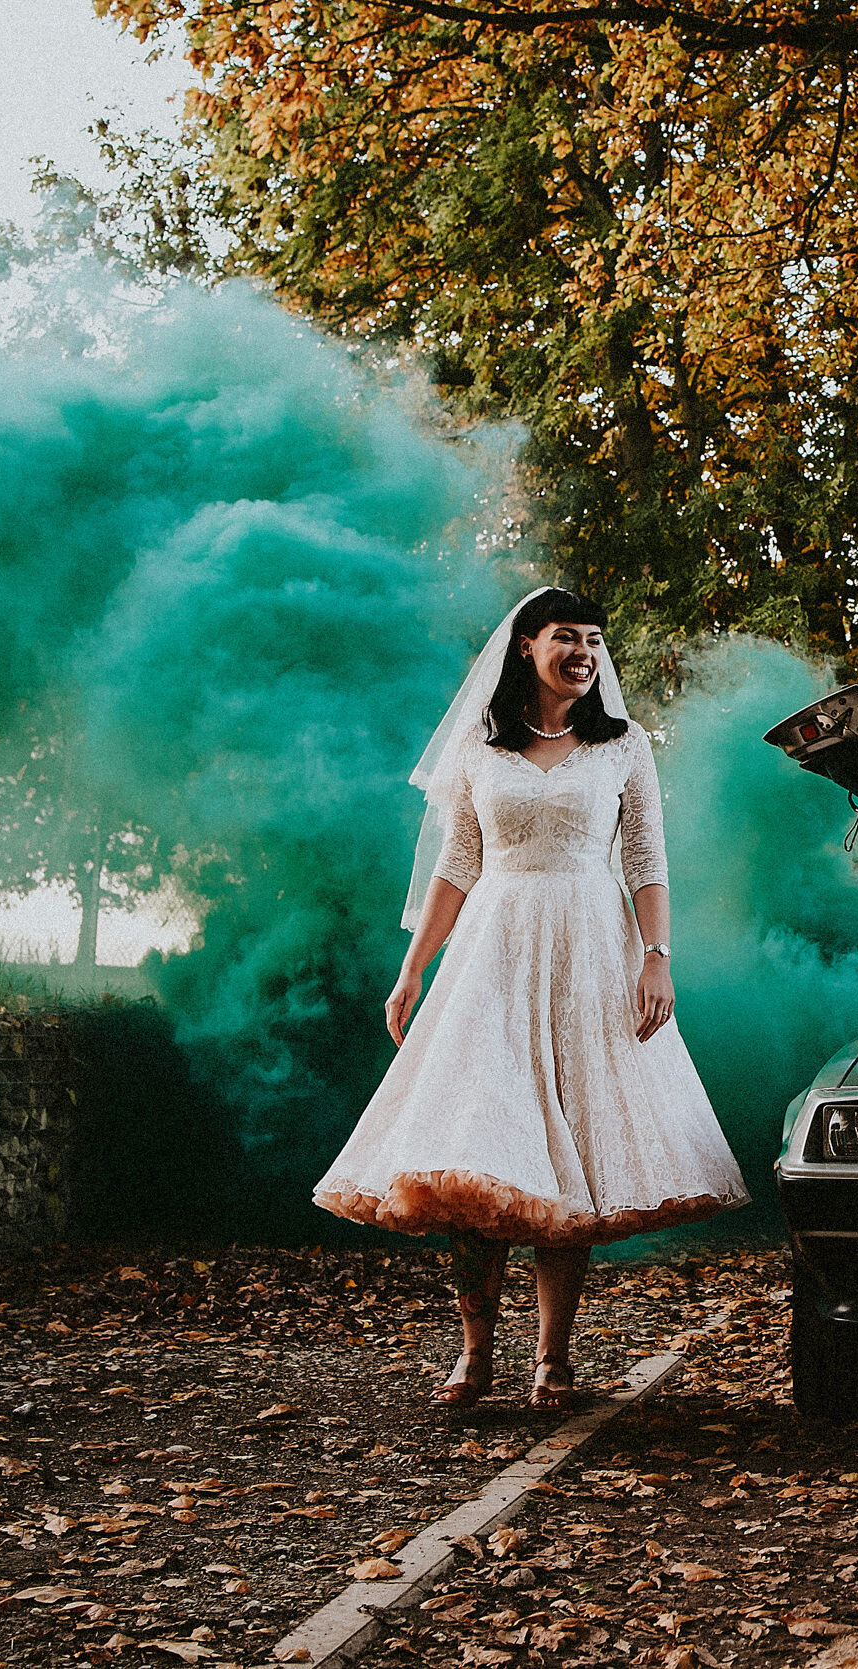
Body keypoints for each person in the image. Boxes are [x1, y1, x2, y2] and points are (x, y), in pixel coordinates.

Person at [316, 587, 748, 1411]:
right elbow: (457, 865)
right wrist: (413, 970)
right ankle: (475, 1352)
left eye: (594, 639)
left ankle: (553, 1356)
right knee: (473, 1152)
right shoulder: (482, 751)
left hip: (591, 949)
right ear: (525, 646)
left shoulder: (623, 747)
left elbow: (647, 860)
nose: (584, 653)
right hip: (494, 956)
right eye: (566, 638)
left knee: (570, 1152)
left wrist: (657, 958)